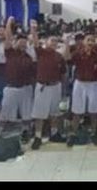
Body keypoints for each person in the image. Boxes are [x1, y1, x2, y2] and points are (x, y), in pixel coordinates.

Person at [0, 17, 36, 142]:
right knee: (4, 112)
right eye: (20, 43)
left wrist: (33, 30)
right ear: (15, 43)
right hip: (11, 88)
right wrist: (8, 23)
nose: (22, 45)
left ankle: (25, 132)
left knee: (26, 113)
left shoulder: (29, 57)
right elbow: (8, 38)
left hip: (26, 88)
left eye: (24, 43)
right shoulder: (10, 53)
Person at [29, 20, 69, 150]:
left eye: (56, 41)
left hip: (56, 86)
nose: (54, 43)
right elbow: (35, 42)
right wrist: (33, 29)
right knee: (39, 114)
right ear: (46, 42)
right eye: (52, 41)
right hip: (43, 87)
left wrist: (63, 90)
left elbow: (63, 73)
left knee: (54, 113)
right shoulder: (41, 52)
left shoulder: (59, 56)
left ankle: (54, 134)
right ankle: (38, 137)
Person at [67, 32, 97, 147]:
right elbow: (68, 59)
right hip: (80, 84)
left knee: (94, 111)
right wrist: (66, 43)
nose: (90, 42)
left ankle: (93, 133)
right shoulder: (78, 53)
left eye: (92, 40)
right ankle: (73, 134)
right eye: (88, 40)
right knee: (77, 111)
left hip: (93, 84)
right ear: (84, 42)